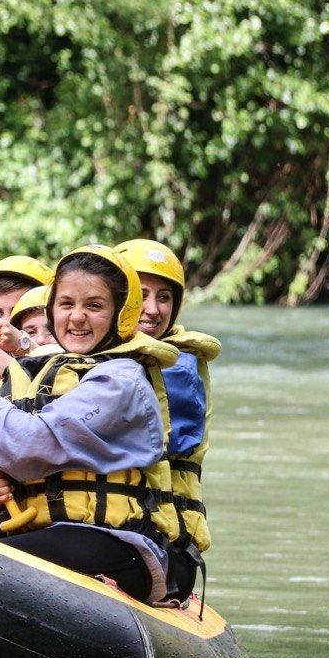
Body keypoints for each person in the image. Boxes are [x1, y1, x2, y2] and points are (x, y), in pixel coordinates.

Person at [0, 244, 180, 603]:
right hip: (51, 532)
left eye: (94, 306)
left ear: (121, 315)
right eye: (66, 305)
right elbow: (9, 469)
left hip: (116, 544)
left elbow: (31, 447)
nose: (76, 317)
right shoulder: (41, 375)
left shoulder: (121, 381)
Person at [116, 237, 222, 600]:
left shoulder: (176, 368)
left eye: (164, 297)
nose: (152, 309)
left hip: (162, 546)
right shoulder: (102, 355)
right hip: (121, 530)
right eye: (141, 294)